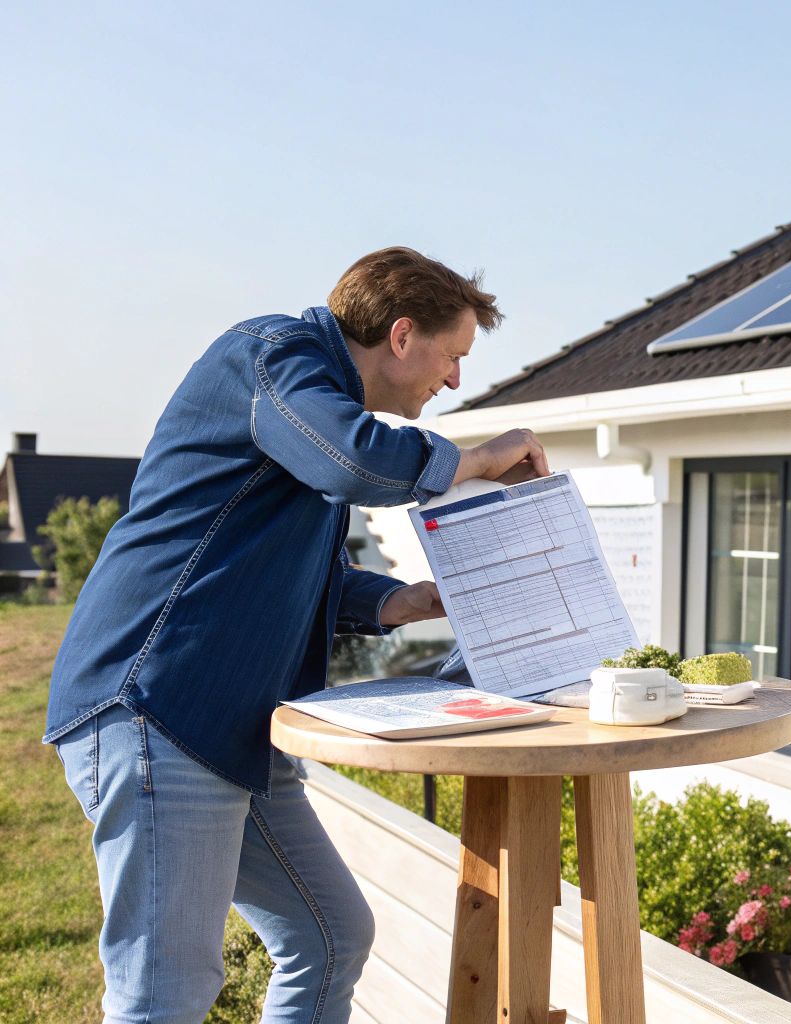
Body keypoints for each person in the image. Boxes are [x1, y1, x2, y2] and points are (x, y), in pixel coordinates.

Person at [42, 246, 549, 1024]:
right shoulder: (273, 356)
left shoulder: (309, 413)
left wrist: (416, 599)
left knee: (331, 936)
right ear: (404, 335)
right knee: (163, 996)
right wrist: (477, 460)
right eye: (453, 357)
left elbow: (314, 578)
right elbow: (353, 461)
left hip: (232, 731)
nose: (454, 381)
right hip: (160, 705)